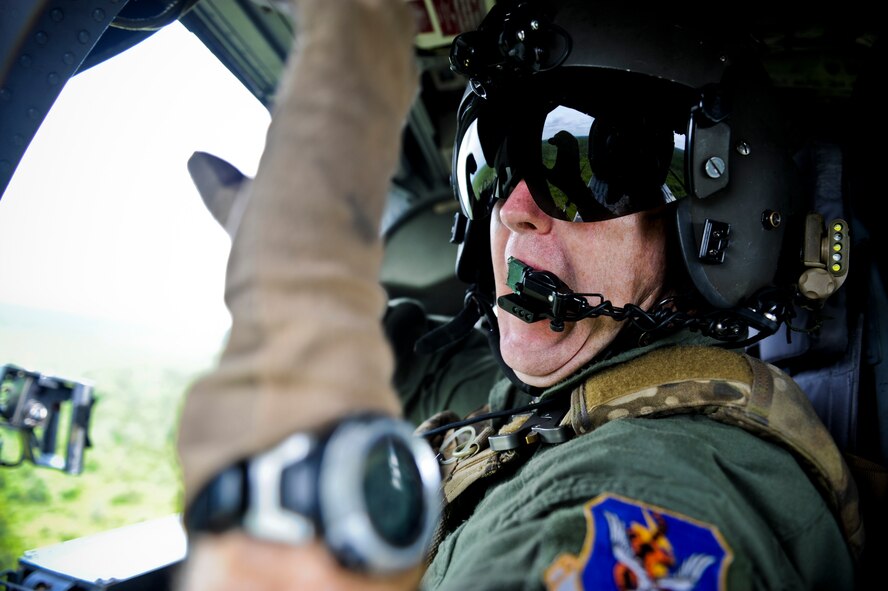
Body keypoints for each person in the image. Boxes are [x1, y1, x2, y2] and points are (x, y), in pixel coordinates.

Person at [175, 1, 866, 590]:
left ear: (716, 217)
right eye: (492, 166)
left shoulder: (647, 491)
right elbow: (421, 369)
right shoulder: (571, 395)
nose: (512, 210)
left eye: (584, 166)